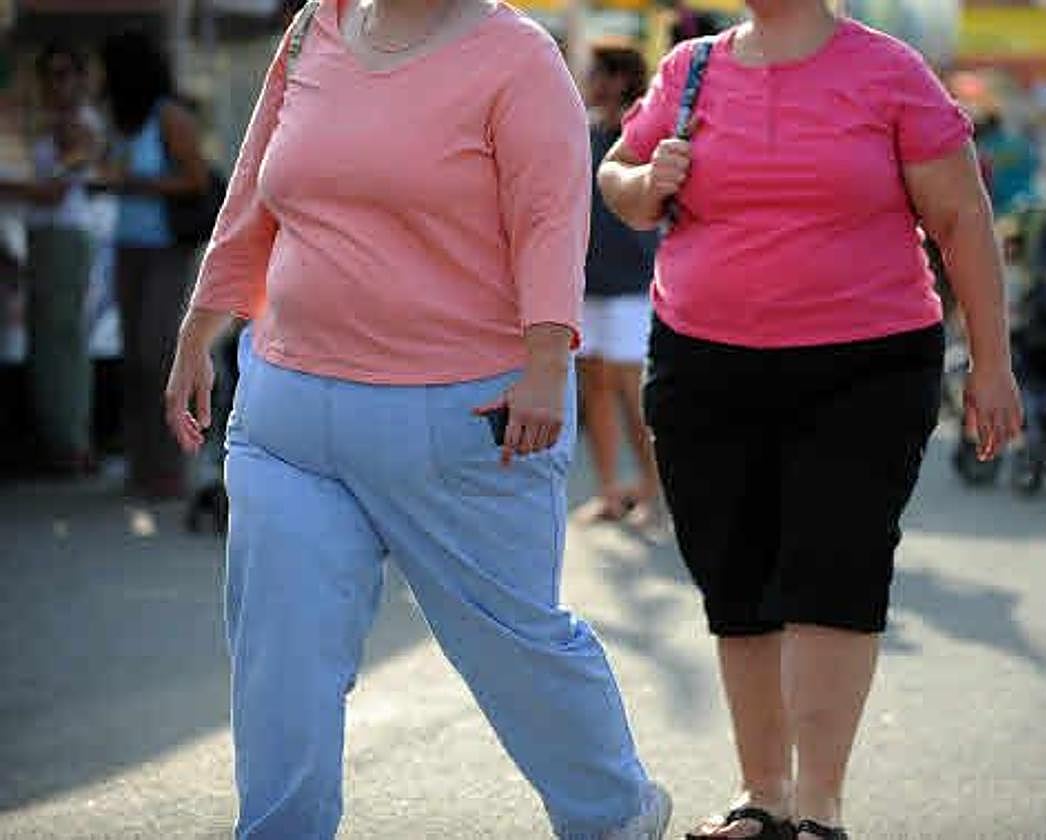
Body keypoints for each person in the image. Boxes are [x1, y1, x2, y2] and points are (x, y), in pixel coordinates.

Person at [164, 1, 668, 838]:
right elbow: (256, 189)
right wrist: (199, 327)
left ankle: (613, 815)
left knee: (514, 647)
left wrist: (547, 363)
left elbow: (550, 217)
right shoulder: (312, 30)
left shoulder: (517, 57)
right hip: (287, 415)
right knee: (280, 663)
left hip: (466, 412)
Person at [599, 0, 1023, 836]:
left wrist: (993, 363)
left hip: (864, 366)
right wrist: (648, 183)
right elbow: (617, 174)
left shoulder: (890, 73)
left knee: (836, 566)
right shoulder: (693, 70)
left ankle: (819, 806)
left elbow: (963, 219)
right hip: (703, 361)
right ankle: (764, 796)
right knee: (736, 575)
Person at [97, 30, 209, 499]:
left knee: (156, 353)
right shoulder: (120, 120)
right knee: (134, 361)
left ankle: (170, 467)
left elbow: (197, 179)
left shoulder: (170, 117)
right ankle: (142, 465)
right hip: (128, 246)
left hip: (166, 247)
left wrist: (137, 183)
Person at [4, 43, 103, 474]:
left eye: (65, 73)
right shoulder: (55, 122)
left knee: (62, 343)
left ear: (80, 78)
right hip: (45, 235)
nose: (55, 83)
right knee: (48, 343)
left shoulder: (79, 124)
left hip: (63, 235)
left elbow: (58, 187)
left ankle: (70, 444)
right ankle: (59, 441)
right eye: (49, 74)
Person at [577, 41, 661, 525]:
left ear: (620, 79)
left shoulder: (644, 134)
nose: (590, 81)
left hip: (633, 284)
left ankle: (651, 492)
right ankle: (609, 491)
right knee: (595, 389)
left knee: (633, 393)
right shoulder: (584, 132)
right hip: (587, 282)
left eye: (598, 73)